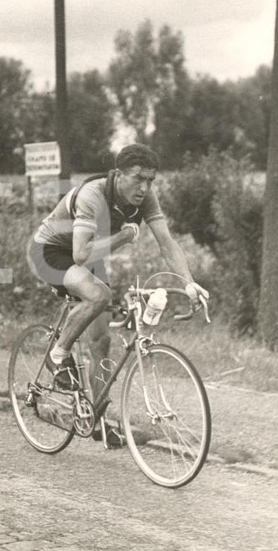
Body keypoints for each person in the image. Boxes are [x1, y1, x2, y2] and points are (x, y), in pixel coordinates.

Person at [28, 143, 210, 446]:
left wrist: (189, 282)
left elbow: (166, 242)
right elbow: (81, 254)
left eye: (150, 180)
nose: (144, 187)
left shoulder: (144, 198)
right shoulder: (92, 195)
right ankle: (57, 355)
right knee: (99, 295)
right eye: (138, 178)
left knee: (101, 341)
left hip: (86, 252)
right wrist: (124, 236)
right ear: (118, 174)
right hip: (51, 252)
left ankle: (96, 421)